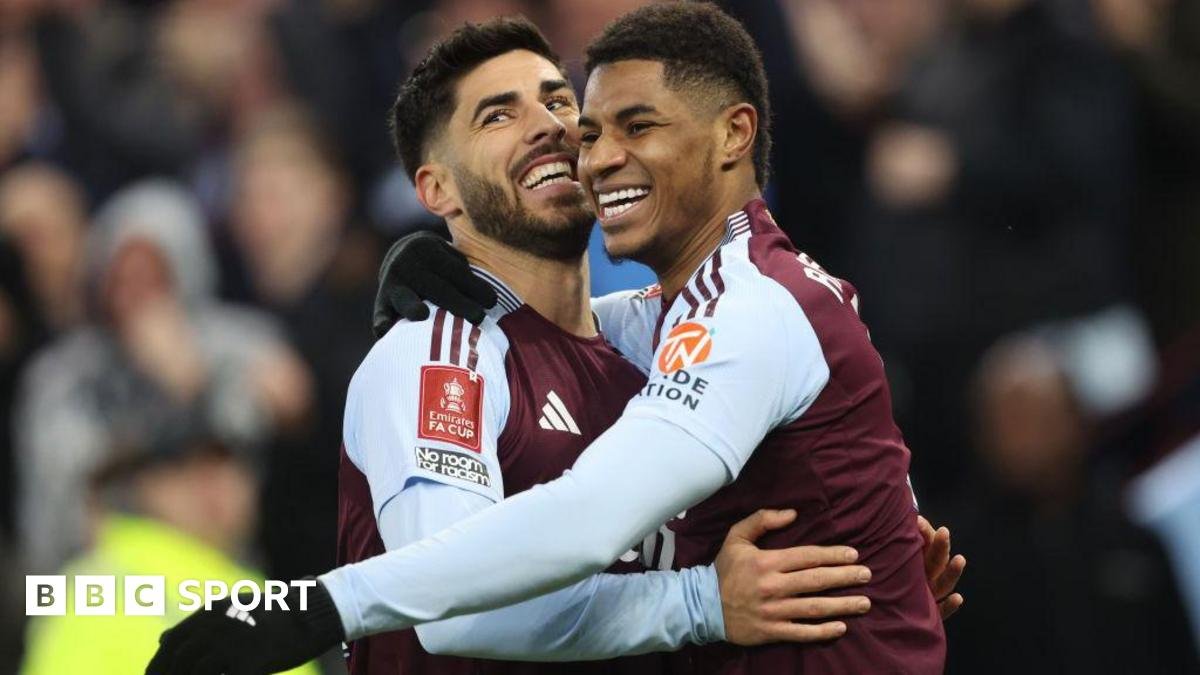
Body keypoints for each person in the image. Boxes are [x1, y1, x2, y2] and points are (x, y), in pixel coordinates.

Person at [147, 6, 959, 673]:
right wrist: (703, 601)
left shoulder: (695, 327)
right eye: (499, 115)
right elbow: (457, 616)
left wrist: (874, 562)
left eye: (560, 102)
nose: (555, 130)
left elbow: (603, 511)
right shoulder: (444, 353)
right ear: (434, 187)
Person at [20, 433, 318, 675]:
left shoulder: (256, 589)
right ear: (145, 483)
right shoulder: (90, 588)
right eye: (187, 468)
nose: (213, 489)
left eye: (225, 464)